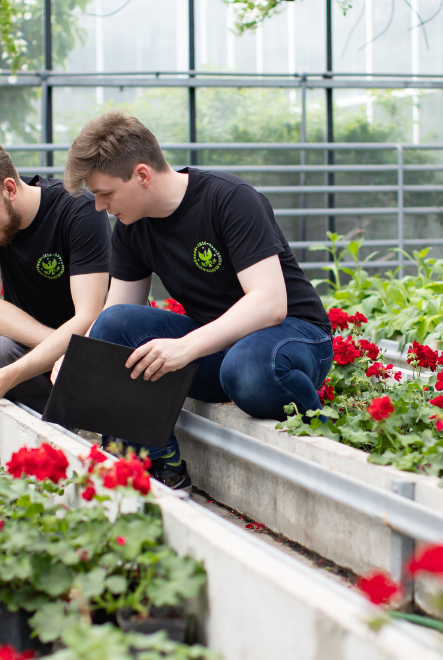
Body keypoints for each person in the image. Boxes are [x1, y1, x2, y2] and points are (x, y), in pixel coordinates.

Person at [60, 111, 333, 489]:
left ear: (142, 175)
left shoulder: (229, 198)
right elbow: (115, 318)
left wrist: (185, 347)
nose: (99, 206)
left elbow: (270, 303)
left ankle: (321, 431)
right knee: (114, 325)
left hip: (293, 335)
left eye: (105, 193)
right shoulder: (130, 228)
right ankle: (160, 467)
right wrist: (80, 359)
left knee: (248, 369)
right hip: (219, 349)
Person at [0, 139, 111, 413]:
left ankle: (95, 423)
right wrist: (57, 348)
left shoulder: (78, 209)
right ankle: (60, 432)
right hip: (42, 353)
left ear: (9, 188)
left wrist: (71, 353)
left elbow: (88, 315)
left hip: (95, 351)